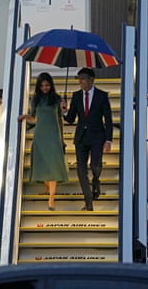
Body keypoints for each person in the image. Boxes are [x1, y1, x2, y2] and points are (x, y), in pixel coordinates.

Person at [61, 67, 113, 211]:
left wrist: (108, 140)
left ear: (91, 80)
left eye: (83, 79)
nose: (81, 82)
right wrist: (64, 111)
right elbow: (71, 119)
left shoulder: (102, 96)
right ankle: (88, 202)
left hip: (97, 136)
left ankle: (96, 180)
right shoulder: (76, 95)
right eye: (79, 79)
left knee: (95, 166)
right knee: (80, 170)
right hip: (81, 138)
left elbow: (108, 119)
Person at [18, 72, 68, 211]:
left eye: (47, 85)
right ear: (39, 87)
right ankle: (48, 187)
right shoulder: (36, 100)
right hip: (40, 135)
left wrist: (62, 138)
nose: (45, 88)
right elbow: (34, 118)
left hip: (53, 136)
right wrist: (25, 116)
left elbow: (60, 119)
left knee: (52, 167)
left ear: (51, 85)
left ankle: (51, 198)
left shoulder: (57, 99)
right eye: (42, 86)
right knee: (42, 165)